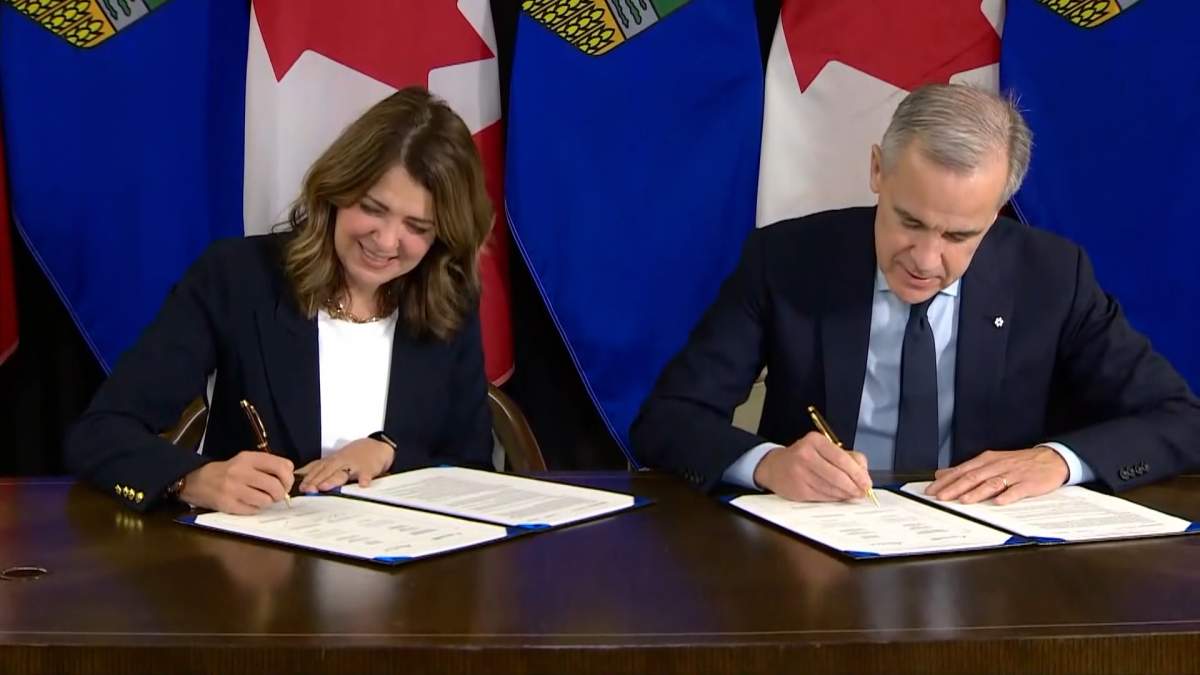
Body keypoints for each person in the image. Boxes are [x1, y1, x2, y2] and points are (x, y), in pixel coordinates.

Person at [632, 84, 1200, 505]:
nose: (926, 260)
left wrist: (1057, 461)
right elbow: (668, 419)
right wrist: (769, 465)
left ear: (998, 209)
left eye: (959, 235)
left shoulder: (1052, 274)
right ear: (878, 170)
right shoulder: (787, 258)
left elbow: (1180, 419)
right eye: (909, 221)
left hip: (993, 562)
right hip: (818, 550)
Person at [66, 87, 494, 514]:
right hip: (257, 570)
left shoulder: (449, 300)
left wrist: (390, 454)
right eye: (372, 207)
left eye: (417, 226)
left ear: (443, 235)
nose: (385, 241)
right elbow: (101, 433)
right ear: (336, 190)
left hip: (410, 573)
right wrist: (193, 479)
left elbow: (471, 471)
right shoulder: (238, 277)